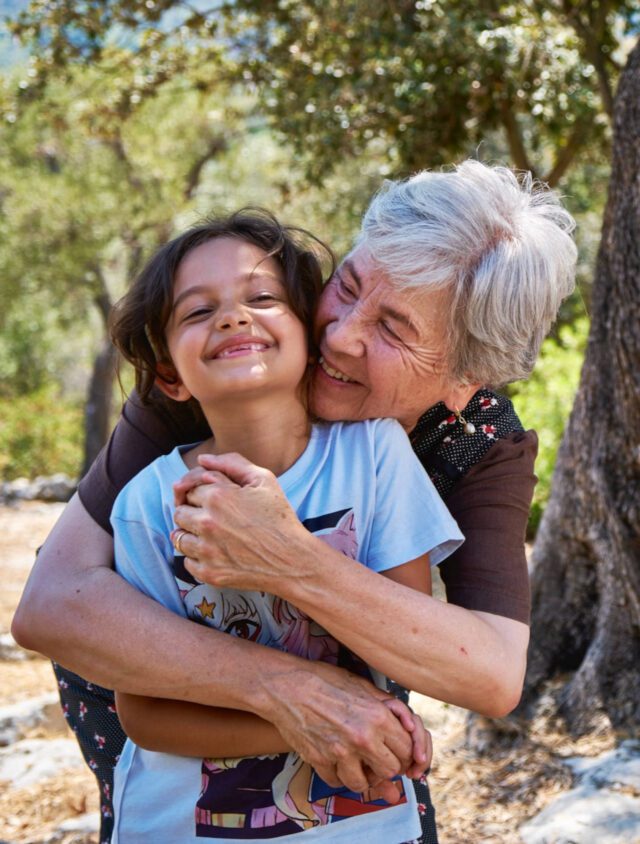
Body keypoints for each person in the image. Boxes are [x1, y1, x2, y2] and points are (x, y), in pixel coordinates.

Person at [12, 160, 577, 844]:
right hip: (163, 699)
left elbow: (489, 672)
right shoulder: (231, 363)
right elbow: (54, 602)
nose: (338, 334)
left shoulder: (475, 440)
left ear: (465, 377)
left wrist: (289, 560)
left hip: (351, 736)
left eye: (394, 328)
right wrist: (288, 691)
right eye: (350, 285)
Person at [106, 209, 461, 842]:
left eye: (262, 298)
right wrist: (302, 717)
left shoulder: (375, 456)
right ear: (169, 375)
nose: (234, 317)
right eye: (197, 312)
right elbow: (143, 712)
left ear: (309, 336)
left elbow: (402, 638)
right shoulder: (147, 502)